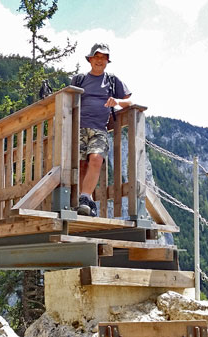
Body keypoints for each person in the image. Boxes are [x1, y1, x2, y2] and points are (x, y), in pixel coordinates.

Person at [71, 43, 132, 216]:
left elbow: (130, 102)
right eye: (96, 57)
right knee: (82, 165)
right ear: (90, 59)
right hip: (79, 128)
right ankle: (86, 201)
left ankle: (84, 199)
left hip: (100, 129)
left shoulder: (112, 81)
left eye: (103, 58)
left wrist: (118, 102)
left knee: (96, 159)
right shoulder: (80, 79)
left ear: (107, 61)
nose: (99, 60)